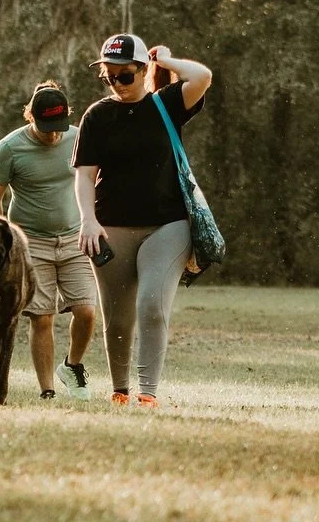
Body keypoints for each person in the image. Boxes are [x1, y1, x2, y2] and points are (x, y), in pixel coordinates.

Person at [73, 33, 212, 408]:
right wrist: (87, 220)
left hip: (168, 224)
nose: (116, 83)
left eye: (124, 76)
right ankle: (120, 391)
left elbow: (202, 76)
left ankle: (147, 392)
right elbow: (85, 176)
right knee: (117, 318)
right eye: (109, 76)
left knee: (151, 303)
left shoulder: (167, 104)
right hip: (109, 227)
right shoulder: (98, 116)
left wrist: (166, 61)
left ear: (141, 70)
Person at [0, 81, 98, 400]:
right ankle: (47, 389)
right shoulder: (10, 147)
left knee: (87, 311)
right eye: (46, 127)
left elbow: (95, 180)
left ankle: (72, 366)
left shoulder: (78, 137)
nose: (53, 135)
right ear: (29, 117)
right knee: (42, 316)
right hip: (31, 243)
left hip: (76, 239)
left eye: (58, 127)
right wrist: (2, 244)